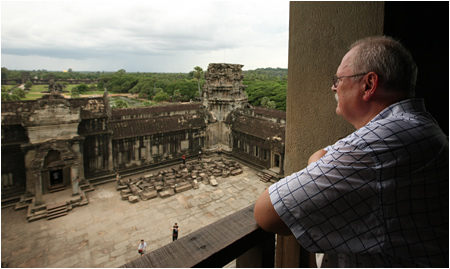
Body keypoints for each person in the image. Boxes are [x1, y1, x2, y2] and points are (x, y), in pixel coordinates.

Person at [254, 36, 448, 267]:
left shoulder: (376, 146)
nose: (333, 86)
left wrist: (318, 163)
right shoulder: (421, 126)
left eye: (338, 79)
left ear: (368, 84)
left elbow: (267, 212)